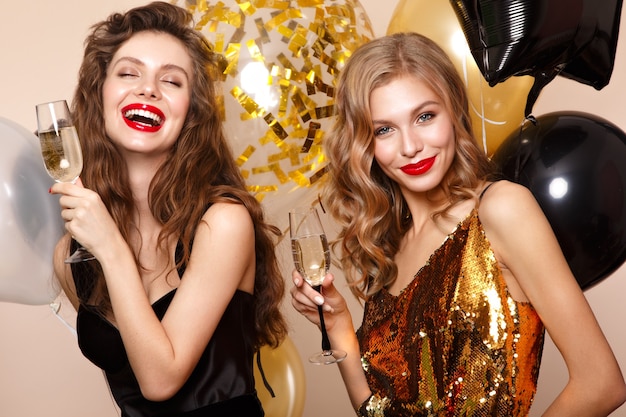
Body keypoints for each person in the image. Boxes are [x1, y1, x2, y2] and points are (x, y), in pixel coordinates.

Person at [291, 32, 626, 416]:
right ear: (365, 144)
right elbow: (379, 411)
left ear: (454, 112)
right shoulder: (390, 245)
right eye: (384, 129)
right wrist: (338, 327)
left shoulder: (500, 209)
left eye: (425, 116)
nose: (410, 146)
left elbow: (601, 383)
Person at [50, 2, 287, 416]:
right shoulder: (71, 257)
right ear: (99, 94)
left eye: (171, 81)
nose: (148, 89)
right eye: (128, 73)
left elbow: (160, 380)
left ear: (190, 112)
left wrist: (111, 246)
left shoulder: (223, 223)